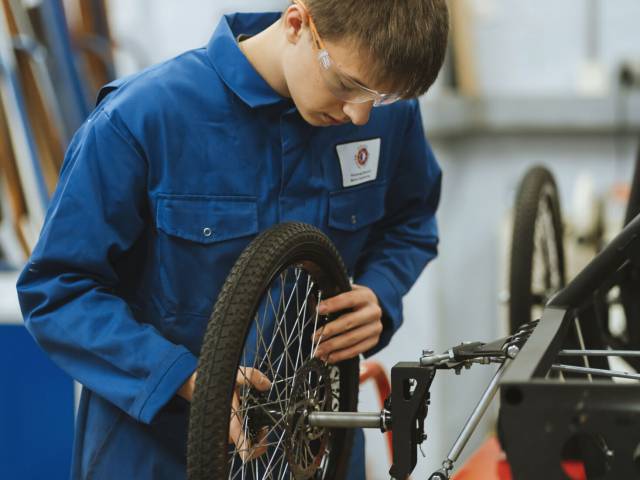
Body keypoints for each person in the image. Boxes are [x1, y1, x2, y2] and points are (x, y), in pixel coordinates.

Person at [16, 0, 448, 478]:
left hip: (312, 449)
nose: (361, 115)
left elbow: (411, 222)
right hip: (159, 451)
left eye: (381, 96)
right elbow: (57, 289)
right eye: (347, 86)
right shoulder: (143, 118)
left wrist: (379, 293)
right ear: (297, 23)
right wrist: (188, 378)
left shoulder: (386, 114)